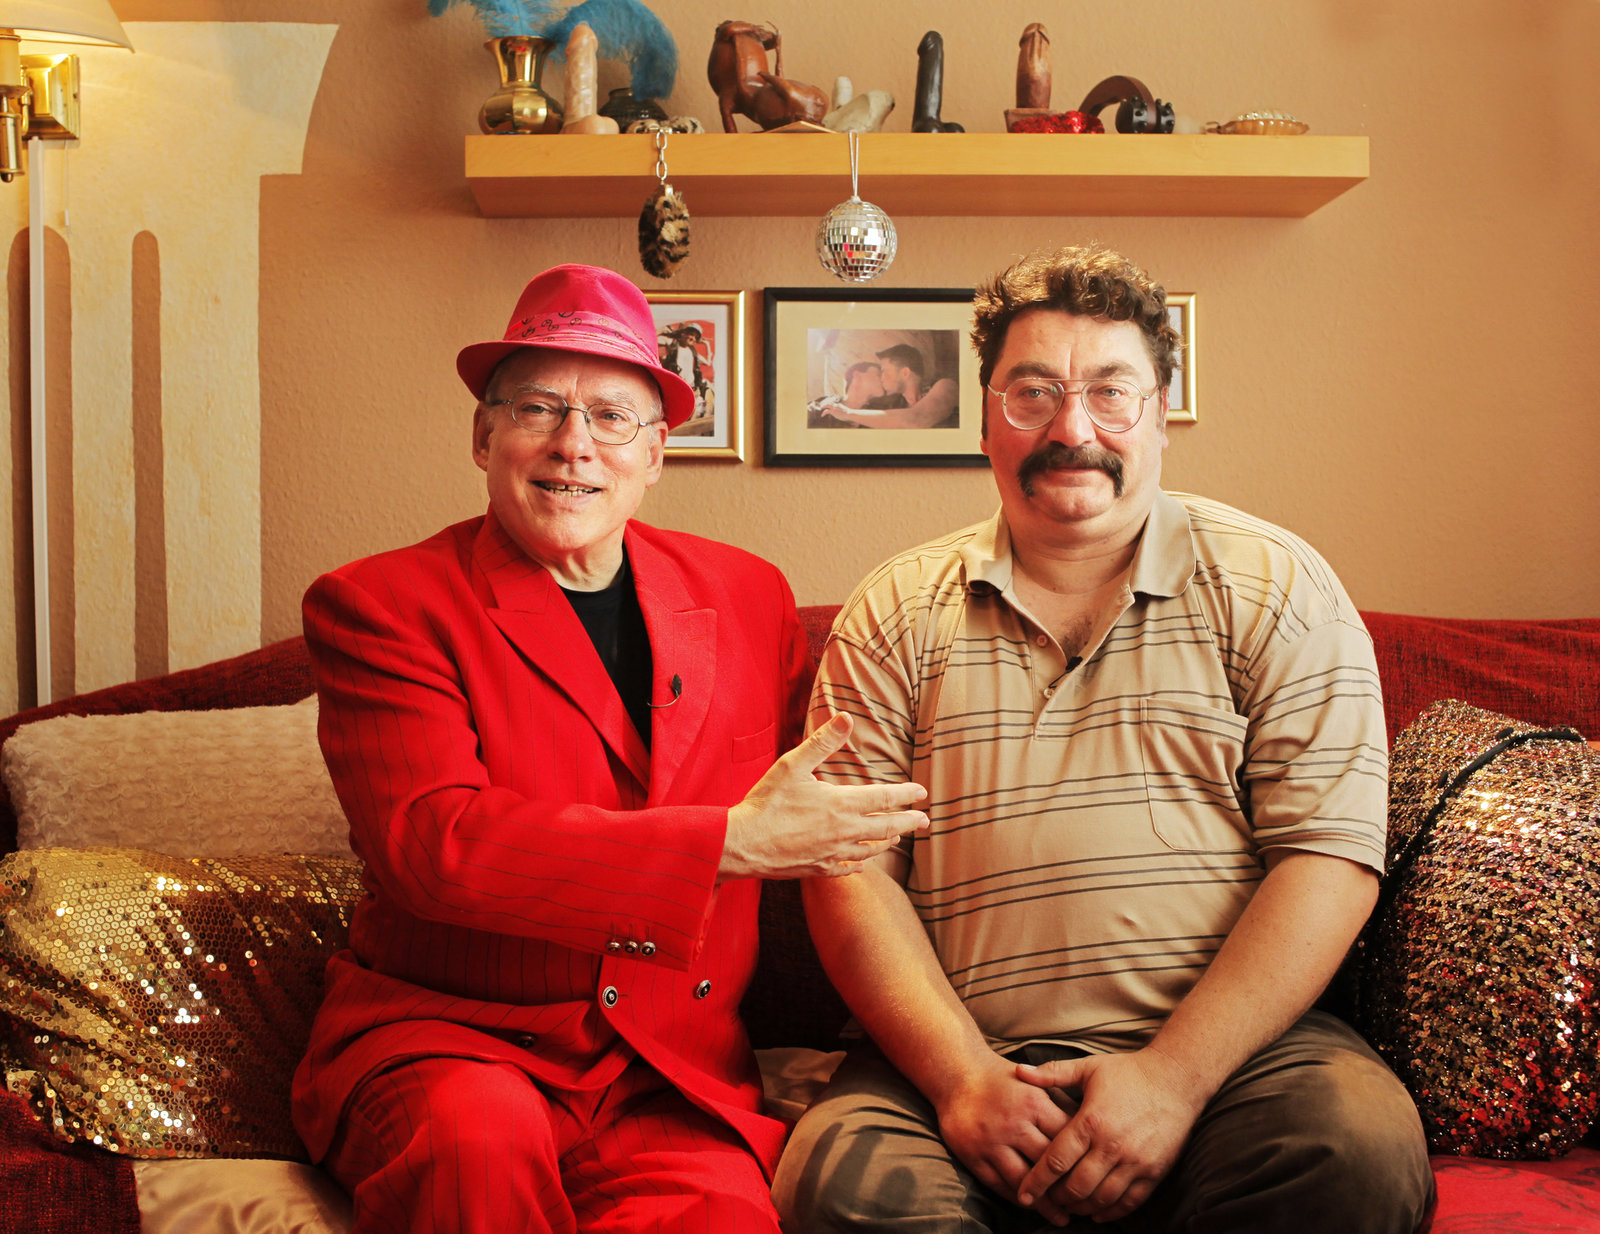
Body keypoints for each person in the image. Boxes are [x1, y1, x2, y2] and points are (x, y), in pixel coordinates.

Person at [772, 245, 1434, 1233]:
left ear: (1160, 414)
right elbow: (848, 869)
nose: (1071, 429)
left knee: (1353, 1154)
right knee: (845, 1191)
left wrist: (1172, 1079)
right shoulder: (893, 610)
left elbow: (1328, 860)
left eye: (1110, 393)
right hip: (956, 1056)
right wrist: (962, 1079)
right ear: (985, 419)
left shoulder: (1277, 585)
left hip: (1238, 1061)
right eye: (1032, 392)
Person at [291, 263, 929, 1234]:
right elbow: (430, 843)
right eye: (537, 408)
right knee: (478, 1150)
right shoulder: (380, 605)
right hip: (454, 1040)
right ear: (483, 437)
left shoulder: (749, 596)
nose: (573, 444)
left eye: (610, 417)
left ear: (657, 451)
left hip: (667, 1070)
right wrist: (725, 843)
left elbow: (850, 773)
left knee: (721, 1221)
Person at [831, 341, 959, 429]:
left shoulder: (946, 386)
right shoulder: (892, 405)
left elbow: (917, 419)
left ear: (905, 373)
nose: (881, 378)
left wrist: (847, 413)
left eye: (884, 371)